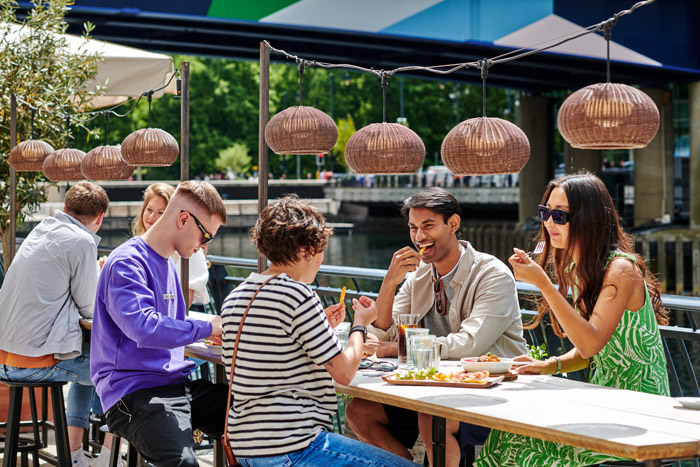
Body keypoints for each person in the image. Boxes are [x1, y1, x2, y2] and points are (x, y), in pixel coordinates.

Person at [475, 172, 670, 467]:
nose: (549, 223)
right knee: (509, 431)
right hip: (607, 400)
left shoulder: (621, 269)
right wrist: (550, 365)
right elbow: (590, 346)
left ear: (588, 218)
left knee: (521, 440)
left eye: (559, 215)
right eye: (545, 213)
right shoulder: (583, 268)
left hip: (640, 410)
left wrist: (543, 284)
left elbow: (591, 343)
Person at [220, 196, 420, 467]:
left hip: (244, 446)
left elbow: (271, 353)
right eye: (320, 250)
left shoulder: (236, 296)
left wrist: (320, 325)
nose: (321, 260)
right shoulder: (297, 294)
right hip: (293, 446)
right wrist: (359, 324)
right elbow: (345, 372)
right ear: (306, 250)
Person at [345, 187, 527, 466]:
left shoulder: (492, 274)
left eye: (428, 225)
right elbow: (384, 329)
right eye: (413, 228)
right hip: (433, 384)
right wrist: (389, 282)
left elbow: (469, 344)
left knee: (432, 413)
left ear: (453, 224)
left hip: (491, 386)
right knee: (360, 411)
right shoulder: (419, 274)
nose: (419, 237)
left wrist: (394, 349)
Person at [90, 181, 228, 467]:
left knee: (255, 418)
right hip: (132, 392)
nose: (203, 247)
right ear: (183, 219)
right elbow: (144, 328)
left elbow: (168, 323)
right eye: (206, 237)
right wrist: (207, 328)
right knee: (184, 464)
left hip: (174, 386)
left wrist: (209, 330)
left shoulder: (166, 262)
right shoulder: (127, 262)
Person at [0, 181, 114, 467]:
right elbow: (90, 307)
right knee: (122, 367)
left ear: (65, 208)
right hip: (32, 363)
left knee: (87, 357)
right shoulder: (82, 240)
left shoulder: (42, 230)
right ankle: (110, 456)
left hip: (5, 358)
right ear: (100, 217)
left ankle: (74, 454)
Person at [132, 182, 211, 308]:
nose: (151, 217)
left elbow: (184, 305)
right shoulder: (138, 247)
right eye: (149, 210)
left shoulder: (188, 248)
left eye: (161, 213)